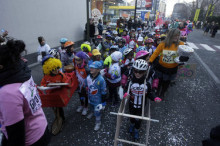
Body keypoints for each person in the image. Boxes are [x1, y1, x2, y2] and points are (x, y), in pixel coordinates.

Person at [0, 40, 50, 146]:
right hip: (41, 126)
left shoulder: (7, 92)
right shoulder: (23, 73)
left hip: (30, 139)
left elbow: (16, 134)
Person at [123, 59, 161, 140]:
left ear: (145, 72)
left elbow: (150, 93)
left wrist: (155, 98)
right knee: (131, 116)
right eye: (135, 71)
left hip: (142, 105)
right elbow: (126, 89)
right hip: (131, 103)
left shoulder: (147, 84)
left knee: (139, 119)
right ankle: (132, 124)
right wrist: (125, 94)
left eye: (140, 72)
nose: (137, 73)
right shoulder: (130, 82)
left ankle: (136, 129)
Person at [149, 29, 187, 99]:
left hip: (172, 68)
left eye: (178, 36)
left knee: (167, 82)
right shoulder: (163, 43)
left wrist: (185, 57)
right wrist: (150, 61)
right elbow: (156, 52)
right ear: (170, 36)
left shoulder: (181, 44)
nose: (176, 37)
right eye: (175, 36)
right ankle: (157, 91)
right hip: (161, 66)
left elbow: (186, 52)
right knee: (159, 80)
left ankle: (163, 92)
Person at [40, 55, 68, 135]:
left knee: (59, 108)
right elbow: (42, 84)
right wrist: (46, 86)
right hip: (50, 95)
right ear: (49, 69)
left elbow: (65, 83)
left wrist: (61, 84)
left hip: (58, 96)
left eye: (57, 68)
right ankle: (57, 117)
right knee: (54, 109)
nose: (56, 70)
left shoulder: (61, 74)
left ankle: (62, 120)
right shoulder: (46, 76)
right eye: (53, 69)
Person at [85, 61, 107, 131]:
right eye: (90, 67)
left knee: (97, 112)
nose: (91, 69)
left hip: (98, 100)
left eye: (93, 68)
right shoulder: (88, 77)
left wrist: (103, 103)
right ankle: (92, 112)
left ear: (98, 70)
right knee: (91, 106)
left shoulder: (101, 80)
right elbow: (86, 86)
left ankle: (98, 122)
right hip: (90, 98)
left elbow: (104, 92)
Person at [74, 51, 90, 115]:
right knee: (80, 95)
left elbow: (89, 78)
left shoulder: (86, 68)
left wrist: (87, 86)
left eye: (78, 60)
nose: (77, 61)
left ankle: (86, 107)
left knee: (86, 96)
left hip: (85, 85)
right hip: (79, 84)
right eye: (76, 60)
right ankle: (82, 105)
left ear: (83, 60)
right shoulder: (76, 66)